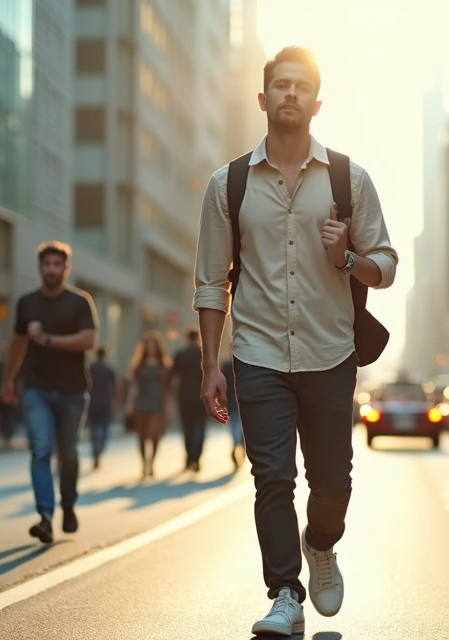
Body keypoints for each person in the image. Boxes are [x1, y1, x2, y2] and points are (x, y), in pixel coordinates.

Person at [193, 46, 398, 636]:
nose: (290, 93)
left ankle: (321, 543)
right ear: (263, 99)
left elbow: (386, 265)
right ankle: (285, 592)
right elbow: (210, 282)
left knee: (332, 482)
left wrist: (346, 256)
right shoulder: (228, 184)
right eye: (280, 85)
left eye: (301, 86)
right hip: (257, 354)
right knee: (272, 479)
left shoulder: (349, 178)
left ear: (316, 103)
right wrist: (211, 365)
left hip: (330, 353)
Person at [1, 241, 98, 544]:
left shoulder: (80, 302)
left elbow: (88, 340)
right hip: (36, 389)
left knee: (67, 454)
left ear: (66, 268)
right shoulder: (27, 303)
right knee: (41, 450)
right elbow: (18, 343)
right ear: (40, 267)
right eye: (47, 264)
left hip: (72, 390)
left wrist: (47, 340)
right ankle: (45, 516)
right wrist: (8, 380)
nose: (52, 269)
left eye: (57, 264)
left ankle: (68, 504)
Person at [125, 332, 172, 480]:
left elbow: (169, 388)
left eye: (153, 346)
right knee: (142, 435)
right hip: (141, 403)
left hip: (158, 404)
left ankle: (152, 462)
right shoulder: (139, 366)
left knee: (155, 435)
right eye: (148, 346)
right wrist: (130, 403)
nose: (151, 349)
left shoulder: (164, 365)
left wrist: (168, 405)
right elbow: (134, 386)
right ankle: (144, 464)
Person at [172, 328, 207, 472]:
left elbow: (175, 379)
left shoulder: (180, 354)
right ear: (199, 337)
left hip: (184, 396)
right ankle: (196, 458)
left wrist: (174, 396)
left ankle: (189, 458)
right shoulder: (204, 354)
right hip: (202, 396)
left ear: (187, 338)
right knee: (200, 427)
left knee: (187, 428)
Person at [86, 346, 118, 470]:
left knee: (93, 429)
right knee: (104, 428)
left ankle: (96, 450)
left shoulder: (90, 368)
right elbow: (115, 386)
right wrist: (115, 401)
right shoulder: (109, 369)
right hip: (105, 403)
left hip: (92, 402)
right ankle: (100, 447)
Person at [220, 346, 246, 470]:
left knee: (238, 428)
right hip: (237, 402)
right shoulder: (230, 365)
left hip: (237, 402)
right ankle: (239, 447)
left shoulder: (228, 365)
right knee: (239, 427)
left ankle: (239, 447)